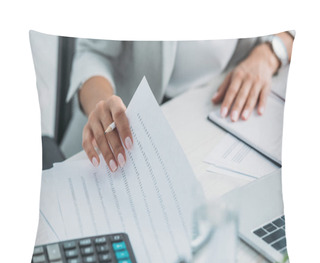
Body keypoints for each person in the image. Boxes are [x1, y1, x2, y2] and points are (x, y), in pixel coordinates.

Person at [67, 32, 294, 172]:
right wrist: (102, 102)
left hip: (210, 118)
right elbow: (91, 54)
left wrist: (270, 53)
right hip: (121, 129)